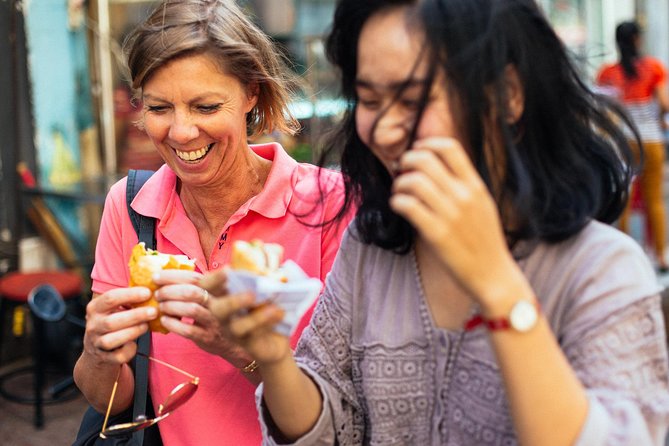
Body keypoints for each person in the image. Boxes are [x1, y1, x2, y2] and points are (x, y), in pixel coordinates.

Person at [206, 0, 669, 445]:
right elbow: (328, 425)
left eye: (412, 99)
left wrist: (497, 284)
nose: (384, 130)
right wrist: (274, 359)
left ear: (507, 95)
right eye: (369, 99)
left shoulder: (603, 271)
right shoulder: (370, 248)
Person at [72, 0, 350, 444]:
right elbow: (116, 402)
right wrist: (97, 354)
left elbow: (346, 410)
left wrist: (243, 351)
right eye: (159, 108)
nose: (181, 132)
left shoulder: (330, 206)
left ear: (251, 93)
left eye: (205, 106)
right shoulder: (129, 206)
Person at [596, 21, 669, 272]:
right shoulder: (653, 68)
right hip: (651, 141)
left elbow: (604, 112)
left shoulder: (608, 73)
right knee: (655, 201)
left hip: (623, 143)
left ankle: (625, 259)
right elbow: (665, 103)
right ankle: (661, 256)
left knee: (623, 198)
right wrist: (657, 117)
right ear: (637, 40)